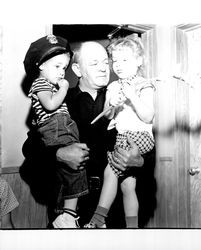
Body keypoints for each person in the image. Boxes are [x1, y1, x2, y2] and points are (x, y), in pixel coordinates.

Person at [64, 41, 144, 228]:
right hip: (72, 206)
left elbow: (146, 140)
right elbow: (31, 149)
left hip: (115, 206)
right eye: (94, 64)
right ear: (77, 69)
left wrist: (140, 161)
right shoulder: (60, 101)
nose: (103, 69)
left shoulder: (124, 96)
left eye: (105, 63)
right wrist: (59, 154)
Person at [84, 35, 155, 228]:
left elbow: (148, 116)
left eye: (125, 60)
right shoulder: (113, 86)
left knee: (110, 172)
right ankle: (132, 228)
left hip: (139, 136)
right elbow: (108, 116)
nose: (119, 65)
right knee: (127, 185)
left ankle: (98, 219)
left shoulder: (144, 84)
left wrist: (133, 97)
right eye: (115, 60)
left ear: (139, 61)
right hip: (122, 136)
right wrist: (111, 103)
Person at [23, 35, 89, 228]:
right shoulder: (42, 84)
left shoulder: (49, 86)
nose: (62, 72)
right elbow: (51, 105)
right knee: (73, 169)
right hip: (57, 124)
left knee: (70, 171)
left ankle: (66, 215)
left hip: (61, 124)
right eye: (57, 66)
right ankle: (67, 214)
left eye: (64, 67)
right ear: (41, 66)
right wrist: (65, 89)